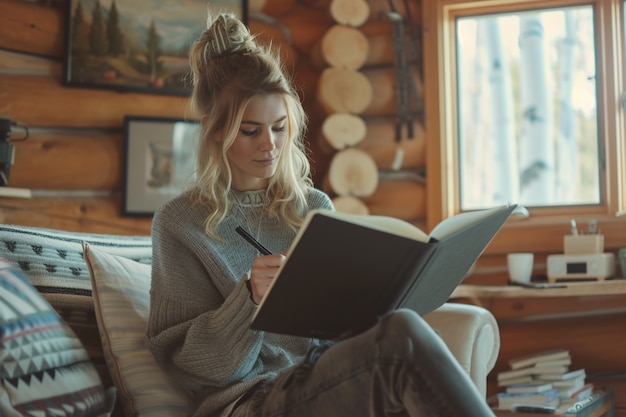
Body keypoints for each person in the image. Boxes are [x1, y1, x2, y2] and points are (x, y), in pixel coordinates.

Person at [146, 10, 497, 417]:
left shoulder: (312, 209)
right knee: (400, 340)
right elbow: (195, 369)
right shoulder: (180, 225)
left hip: (328, 381)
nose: (270, 145)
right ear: (215, 130)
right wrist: (248, 299)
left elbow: (341, 334)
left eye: (279, 127)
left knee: (399, 328)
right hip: (251, 401)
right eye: (250, 130)